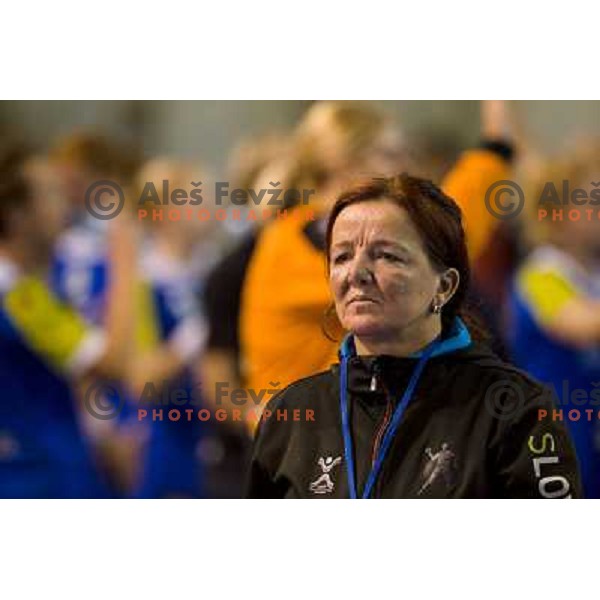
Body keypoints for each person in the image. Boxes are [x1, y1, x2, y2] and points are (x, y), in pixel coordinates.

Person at [246, 173, 581, 498]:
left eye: (387, 256)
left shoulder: (513, 407)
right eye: (342, 256)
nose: (356, 273)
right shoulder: (292, 412)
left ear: (445, 286)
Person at [0, 143, 136, 498]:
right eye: (50, 196)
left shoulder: (27, 290)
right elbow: (113, 362)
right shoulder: (17, 297)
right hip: (35, 482)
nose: (66, 208)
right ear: (16, 215)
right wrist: (124, 255)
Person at [508, 146, 600, 498]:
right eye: (593, 204)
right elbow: (579, 324)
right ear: (558, 214)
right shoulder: (541, 273)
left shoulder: (591, 271)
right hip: (555, 435)